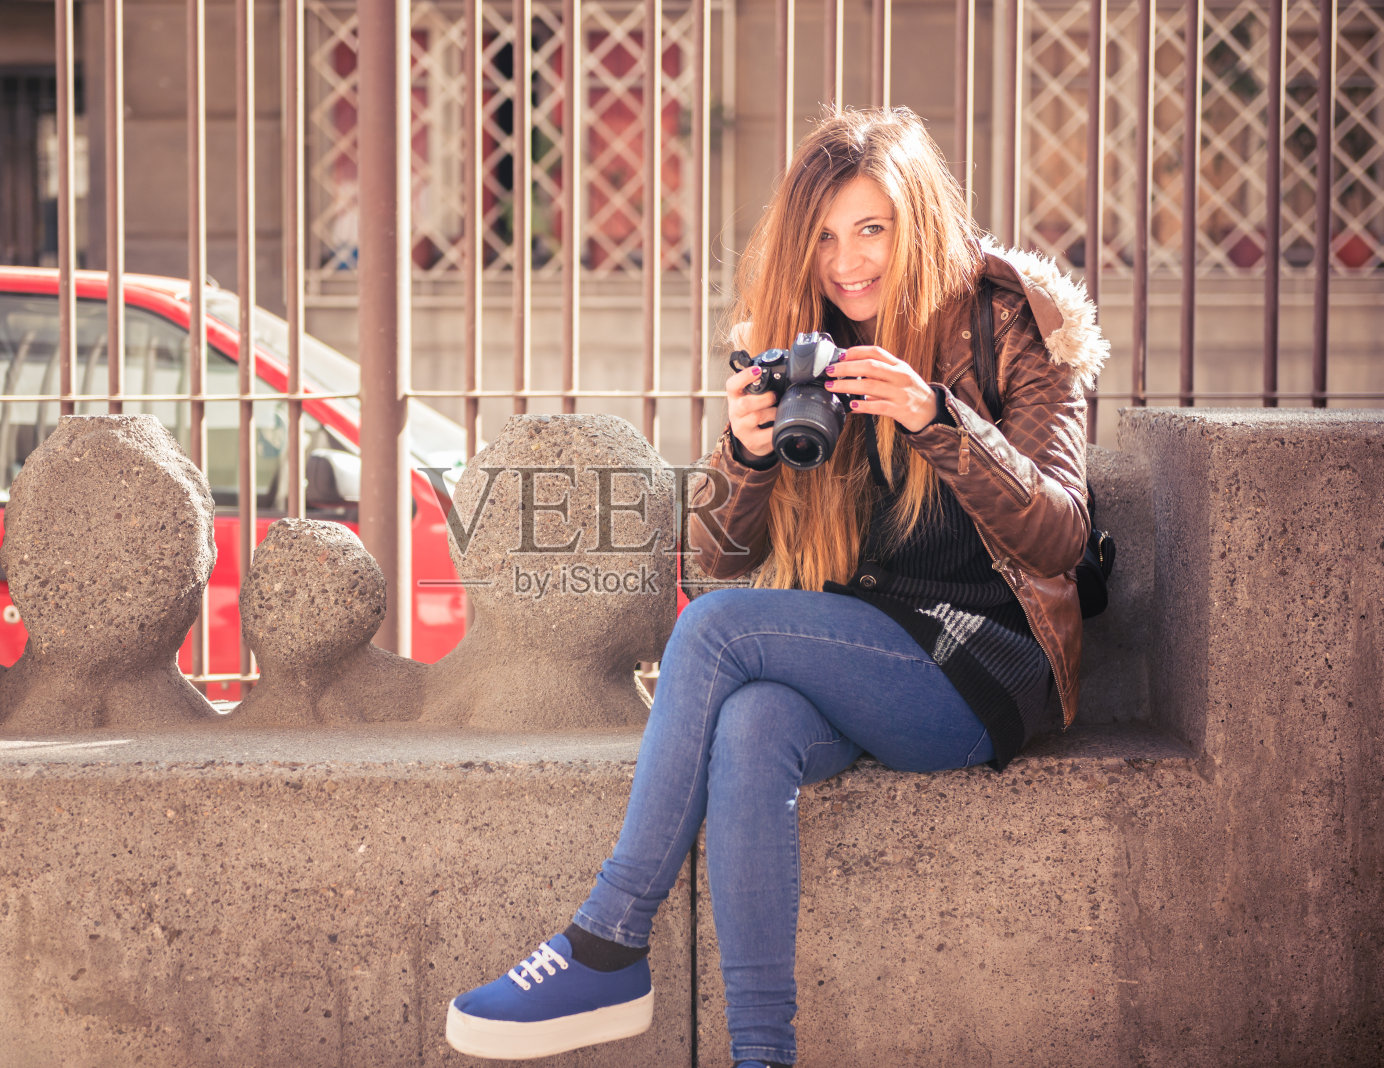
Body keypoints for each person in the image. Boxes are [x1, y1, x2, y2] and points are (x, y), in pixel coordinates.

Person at [443, 106, 1107, 1067]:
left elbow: (1059, 531)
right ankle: (763, 1055)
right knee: (752, 722)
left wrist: (938, 418)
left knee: (715, 635)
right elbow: (717, 557)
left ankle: (607, 942)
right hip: (867, 651)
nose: (849, 262)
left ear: (916, 222)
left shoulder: (1009, 321)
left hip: (985, 664)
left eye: (872, 229)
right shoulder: (806, 343)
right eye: (828, 235)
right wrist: (747, 453)